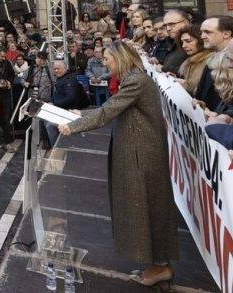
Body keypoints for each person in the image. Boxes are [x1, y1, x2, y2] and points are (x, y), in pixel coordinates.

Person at [58, 41, 177, 286]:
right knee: (143, 208)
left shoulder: (136, 80)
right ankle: (154, 263)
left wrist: (73, 126)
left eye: (107, 59)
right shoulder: (135, 78)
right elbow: (111, 108)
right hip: (137, 151)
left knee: (146, 209)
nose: (105, 63)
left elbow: (107, 112)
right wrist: (82, 114)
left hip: (141, 155)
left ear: (120, 58)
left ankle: (160, 266)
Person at [48, 61, 89, 144]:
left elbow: (71, 98)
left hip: (70, 111)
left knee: (50, 125)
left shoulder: (69, 80)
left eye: (58, 69)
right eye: (55, 69)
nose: (56, 71)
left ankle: (56, 149)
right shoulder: (62, 78)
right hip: (63, 109)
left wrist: (54, 104)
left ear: (65, 69)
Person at [177, 25, 215, 100]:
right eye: (182, 42)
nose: (184, 46)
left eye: (188, 41)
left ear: (201, 41)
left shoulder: (211, 61)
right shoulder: (189, 60)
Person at [161, 9, 191, 74]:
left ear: (186, 22)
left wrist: (164, 68)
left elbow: (193, 71)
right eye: (165, 25)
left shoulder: (195, 42)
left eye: (172, 24)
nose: (168, 29)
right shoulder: (171, 42)